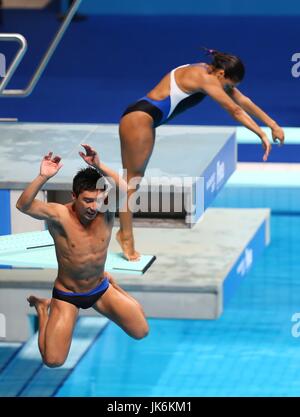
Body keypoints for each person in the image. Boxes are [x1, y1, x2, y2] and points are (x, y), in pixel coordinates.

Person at [117, 48, 285, 261]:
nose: (230, 90)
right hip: (140, 119)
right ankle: (125, 236)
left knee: (131, 181)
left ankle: (120, 231)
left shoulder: (212, 73)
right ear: (222, 75)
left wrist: (273, 124)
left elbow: (243, 101)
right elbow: (235, 111)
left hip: (143, 118)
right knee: (132, 182)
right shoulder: (203, 77)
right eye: (230, 85)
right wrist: (261, 134)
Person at [16, 144, 148, 368]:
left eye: (97, 200)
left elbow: (126, 189)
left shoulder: (105, 211)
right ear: (74, 196)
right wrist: (42, 176)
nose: (93, 207)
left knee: (141, 331)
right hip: (68, 295)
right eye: (87, 200)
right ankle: (42, 308)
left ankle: (111, 283)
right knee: (53, 360)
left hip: (99, 289)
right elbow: (23, 205)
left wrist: (99, 165)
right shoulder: (60, 215)